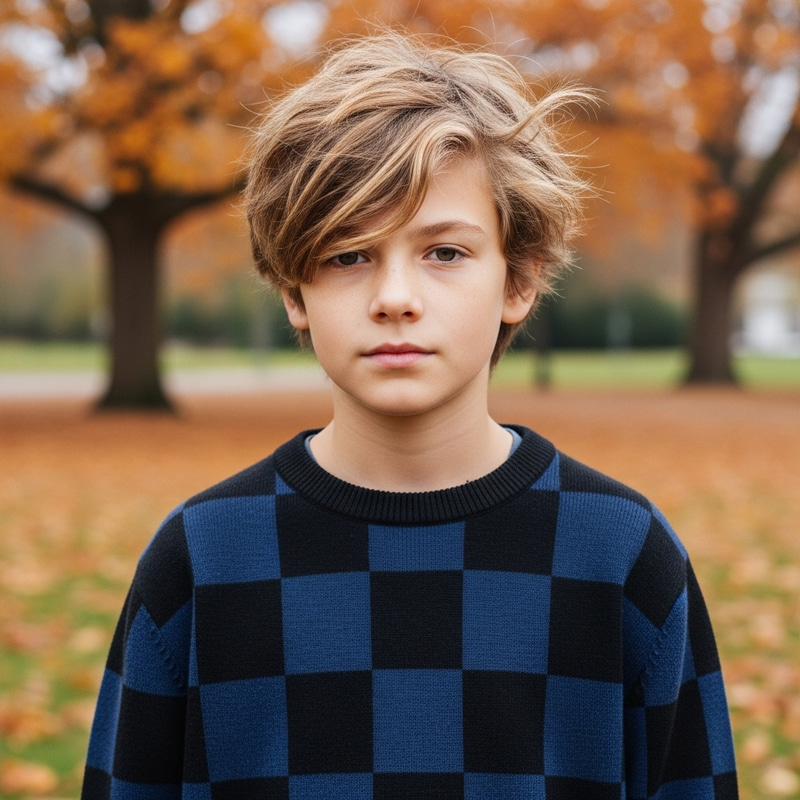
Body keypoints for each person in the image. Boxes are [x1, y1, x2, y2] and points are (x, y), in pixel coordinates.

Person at [81, 31, 738, 800]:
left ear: (519, 280)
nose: (395, 297)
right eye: (348, 254)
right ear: (293, 291)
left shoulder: (621, 551)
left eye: (445, 253)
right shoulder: (202, 555)